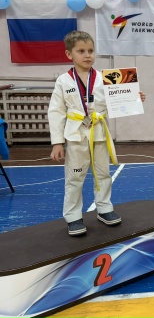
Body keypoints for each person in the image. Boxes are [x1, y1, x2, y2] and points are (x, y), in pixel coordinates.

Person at [48, 31, 146, 236]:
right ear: (69, 54)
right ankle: (73, 216)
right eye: (81, 51)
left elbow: (119, 101)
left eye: (91, 51)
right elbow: (56, 112)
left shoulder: (106, 78)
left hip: (99, 132)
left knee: (103, 173)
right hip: (75, 135)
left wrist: (134, 98)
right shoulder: (63, 81)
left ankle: (104, 208)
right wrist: (57, 142)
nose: (87, 55)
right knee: (75, 177)